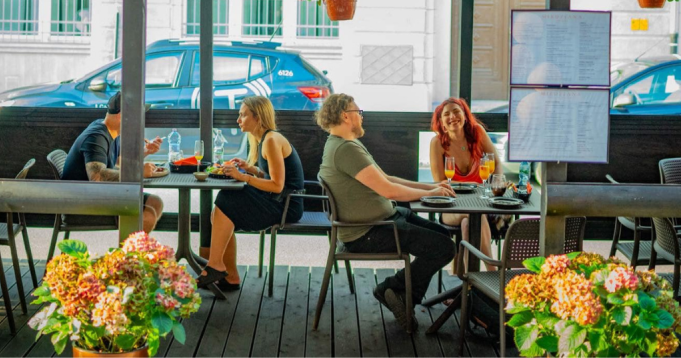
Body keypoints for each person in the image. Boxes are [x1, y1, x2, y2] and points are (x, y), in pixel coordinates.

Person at [316, 93, 456, 332]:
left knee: (444, 236)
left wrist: (431, 187)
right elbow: (389, 190)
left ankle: (402, 295)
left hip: (386, 219)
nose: (361, 117)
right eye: (358, 112)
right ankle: (392, 289)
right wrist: (430, 194)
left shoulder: (347, 144)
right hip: (367, 233)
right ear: (345, 116)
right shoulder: (345, 149)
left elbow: (387, 179)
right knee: (444, 247)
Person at [196, 96, 305, 291]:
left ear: (258, 117)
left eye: (243, 115)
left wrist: (244, 176)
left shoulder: (271, 140)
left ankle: (216, 265)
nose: (238, 120)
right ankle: (229, 276)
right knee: (220, 213)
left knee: (226, 199)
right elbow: (270, 176)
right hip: (279, 200)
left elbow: (277, 185)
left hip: (286, 205)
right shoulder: (264, 139)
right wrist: (251, 169)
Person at [62, 91, 165, 233]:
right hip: (83, 204)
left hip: (101, 195)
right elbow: (97, 177)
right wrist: (139, 172)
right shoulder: (96, 137)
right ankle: (132, 247)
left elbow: (118, 161)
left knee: (155, 202)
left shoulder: (111, 130)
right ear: (122, 116)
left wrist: (146, 151)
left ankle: (133, 246)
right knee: (149, 212)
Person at [429, 97, 502, 272]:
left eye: (456, 112)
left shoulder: (477, 132)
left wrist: (497, 182)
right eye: (446, 114)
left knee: (468, 224)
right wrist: (475, 187)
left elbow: (496, 162)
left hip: (481, 204)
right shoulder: (437, 143)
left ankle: (466, 279)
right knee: (474, 214)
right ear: (441, 122)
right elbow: (440, 182)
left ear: (465, 115)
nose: (452, 117)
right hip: (451, 206)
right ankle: (492, 271)